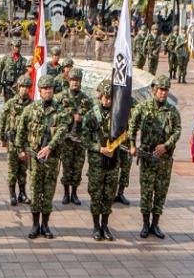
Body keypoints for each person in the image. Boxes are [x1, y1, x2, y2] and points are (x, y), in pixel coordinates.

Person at [128, 75, 181, 239]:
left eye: (166, 90)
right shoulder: (143, 108)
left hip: (164, 160)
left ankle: (155, 224)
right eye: (160, 90)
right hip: (147, 157)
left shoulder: (172, 111)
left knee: (160, 193)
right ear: (154, 90)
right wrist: (132, 145)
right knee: (146, 193)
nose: (163, 93)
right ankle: (145, 224)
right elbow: (132, 126)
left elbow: (177, 131)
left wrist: (166, 146)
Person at [16, 77, 65, 239]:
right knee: (36, 192)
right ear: (40, 91)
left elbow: (63, 130)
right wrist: (20, 149)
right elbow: (21, 130)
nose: (48, 91)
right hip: (35, 159)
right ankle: (35, 225)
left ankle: (45, 225)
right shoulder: (31, 109)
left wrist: (50, 146)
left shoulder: (60, 110)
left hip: (51, 159)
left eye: (50, 88)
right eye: (45, 88)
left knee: (49, 192)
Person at [82, 80, 120, 239]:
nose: (107, 100)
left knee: (109, 195)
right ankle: (96, 226)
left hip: (112, 163)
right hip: (97, 163)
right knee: (96, 195)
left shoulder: (118, 115)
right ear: (100, 97)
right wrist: (99, 148)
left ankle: (105, 225)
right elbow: (84, 139)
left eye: (110, 97)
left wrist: (114, 148)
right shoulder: (91, 115)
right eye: (105, 97)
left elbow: (125, 134)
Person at [57, 69, 91, 204]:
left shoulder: (86, 99)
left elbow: (93, 115)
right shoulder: (60, 97)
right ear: (68, 81)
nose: (75, 83)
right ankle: (66, 194)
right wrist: (70, 115)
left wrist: (82, 118)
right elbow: (54, 114)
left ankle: (74, 194)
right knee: (66, 166)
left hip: (80, 139)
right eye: (72, 80)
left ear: (80, 82)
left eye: (77, 81)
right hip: (66, 139)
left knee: (77, 167)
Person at [0, 74, 32, 205]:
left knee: (23, 170)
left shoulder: (32, 105)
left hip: (25, 142)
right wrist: (2, 137)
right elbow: (2, 120)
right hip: (12, 142)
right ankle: (12, 194)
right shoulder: (11, 103)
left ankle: (22, 193)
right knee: (13, 169)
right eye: (22, 87)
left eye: (26, 87)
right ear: (18, 88)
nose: (24, 89)